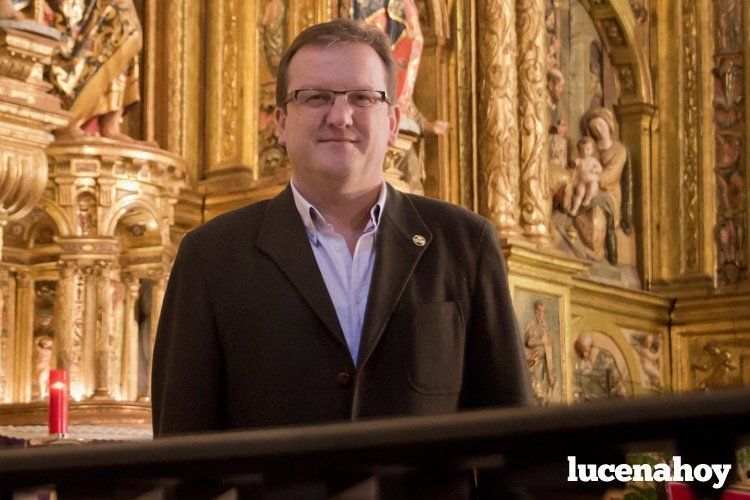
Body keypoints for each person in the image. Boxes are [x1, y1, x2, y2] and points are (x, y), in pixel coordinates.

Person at [152, 20, 530, 437]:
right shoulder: (211, 256)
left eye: (362, 97)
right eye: (314, 98)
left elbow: (512, 437)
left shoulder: (465, 244)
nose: (339, 116)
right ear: (280, 122)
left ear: (393, 122)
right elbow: (181, 448)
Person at [523, 300, 555, 406]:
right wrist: (542, 341)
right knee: (535, 385)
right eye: (539, 311)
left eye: (543, 311)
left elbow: (549, 343)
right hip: (534, 359)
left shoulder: (545, 327)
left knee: (544, 382)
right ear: (536, 311)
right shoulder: (531, 323)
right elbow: (529, 341)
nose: (541, 314)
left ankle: (546, 398)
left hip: (545, 360)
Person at [569, 136, 603, 217]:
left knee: (594, 185)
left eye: (587, 149)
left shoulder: (593, 160)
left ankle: (588, 198)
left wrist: (596, 170)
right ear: (579, 150)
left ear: (592, 150)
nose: (584, 151)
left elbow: (600, 169)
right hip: (581, 181)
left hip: (590, 180)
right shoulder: (579, 160)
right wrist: (574, 164)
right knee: (579, 193)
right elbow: (574, 166)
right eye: (582, 149)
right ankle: (574, 209)